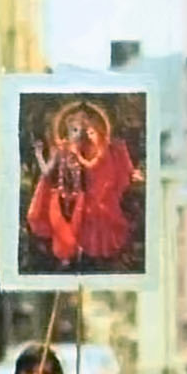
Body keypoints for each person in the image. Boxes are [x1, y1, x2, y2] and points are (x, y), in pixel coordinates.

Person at [26, 103, 136, 267]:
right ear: (67, 130)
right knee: (60, 230)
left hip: (79, 199)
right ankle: (64, 257)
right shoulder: (60, 150)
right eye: (73, 130)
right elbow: (47, 172)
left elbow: (94, 169)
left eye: (80, 131)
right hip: (59, 198)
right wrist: (39, 155)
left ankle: (77, 257)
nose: (76, 134)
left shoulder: (86, 149)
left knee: (78, 230)